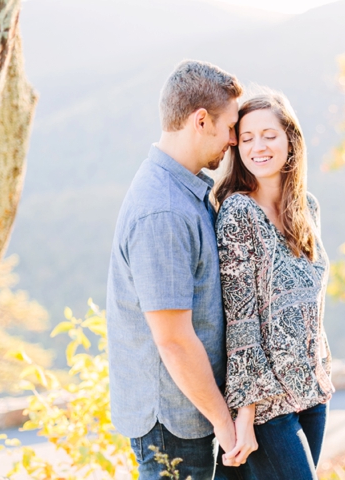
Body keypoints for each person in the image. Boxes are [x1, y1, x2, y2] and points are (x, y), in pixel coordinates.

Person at [106, 60, 245, 480]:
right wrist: (223, 422)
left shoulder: (183, 190)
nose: (235, 140)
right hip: (172, 423)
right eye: (231, 126)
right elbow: (173, 340)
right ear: (201, 120)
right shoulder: (163, 210)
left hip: (187, 413)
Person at [213, 91, 335, 480]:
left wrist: (322, 372)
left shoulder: (307, 208)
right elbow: (241, 320)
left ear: (290, 140)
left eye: (268, 135)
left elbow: (313, 309)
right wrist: (245, 416)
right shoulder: (238, 213)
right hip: (268, 404)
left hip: (312, 392)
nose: (257, 146)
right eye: (246, 138)